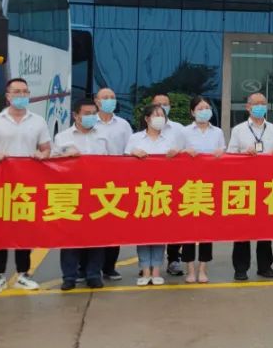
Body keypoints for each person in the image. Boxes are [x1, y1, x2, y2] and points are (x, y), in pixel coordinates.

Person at [0, 77, 50, 294]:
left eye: (25, 92)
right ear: (8, 96)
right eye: (17, 92)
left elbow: (46, 148)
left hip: (28, 184)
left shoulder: (38, 121)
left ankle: (23, 274)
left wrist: (42, 155)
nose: (21, 96)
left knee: (24, 228)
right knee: (0, 228)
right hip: (1, 184)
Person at [51, 98, 109, 291]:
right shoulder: (63, 137)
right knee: (70, 236)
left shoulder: (102, 136)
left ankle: (93, 274)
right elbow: (53, 162)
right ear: (76, 115)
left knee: (96, 235)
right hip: (71, 192)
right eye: (86, 114)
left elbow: (113, 162)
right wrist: (66, 156)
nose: (91, 117)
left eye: (94, 113)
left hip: (97, 192)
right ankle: (69, 276)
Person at [125, 103, 182, 285]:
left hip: (163, 191)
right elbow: (122, 163)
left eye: (162, 115)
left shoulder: (170, 140)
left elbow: (180, 164)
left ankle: (156, 270)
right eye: (156, 115)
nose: (160, 118)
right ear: (147, 118)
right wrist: (132, 153)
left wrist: (177, 154)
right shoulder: (135, 138)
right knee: (142, 232)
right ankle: (145, 271)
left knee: (159, 231)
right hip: (141, 191)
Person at [227, 92, 273, 281]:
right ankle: (240, 268)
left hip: (267, 184)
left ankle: (265, 266)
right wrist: (244, 154)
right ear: (248, 107)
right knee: (242, 227)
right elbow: (230, 154)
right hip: (244, 184)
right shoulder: (239, 130)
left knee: (265, 228)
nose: (260, 106)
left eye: (263, 103)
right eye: (256, 103)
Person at [181, 95, 225, 283]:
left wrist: (221, 153)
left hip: (210, 185)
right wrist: (185, 152)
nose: (204, 111)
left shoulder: (218, 132)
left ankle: (203, 268)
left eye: (207, 108)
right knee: (188, 230)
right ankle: (190, 268)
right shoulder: (184, 132)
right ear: (192, 112)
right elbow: (175, 154)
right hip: (188, 186)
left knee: (207, 230)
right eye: (200, 108)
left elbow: (224, 152)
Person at [94, 86, 133, 281]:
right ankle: (88, 267)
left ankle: (109, 267)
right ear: (97, 101)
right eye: (105, 97)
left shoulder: (123, 125)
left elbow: (130, 149)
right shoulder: (90, 122)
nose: (109, 100)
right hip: (93, 181)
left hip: (117, 182)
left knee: (113, 225)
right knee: (93, 225)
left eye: (112, 97)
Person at [151, 92, 190, 278]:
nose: (162, 107)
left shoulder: (179, 129)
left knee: (176, 224)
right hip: (150, 186)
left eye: (165, 104)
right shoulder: (141, 131)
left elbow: (186, 152)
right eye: (158, 104)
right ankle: (150, 264)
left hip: (176, 183)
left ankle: (174, 259)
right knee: (152, 225)